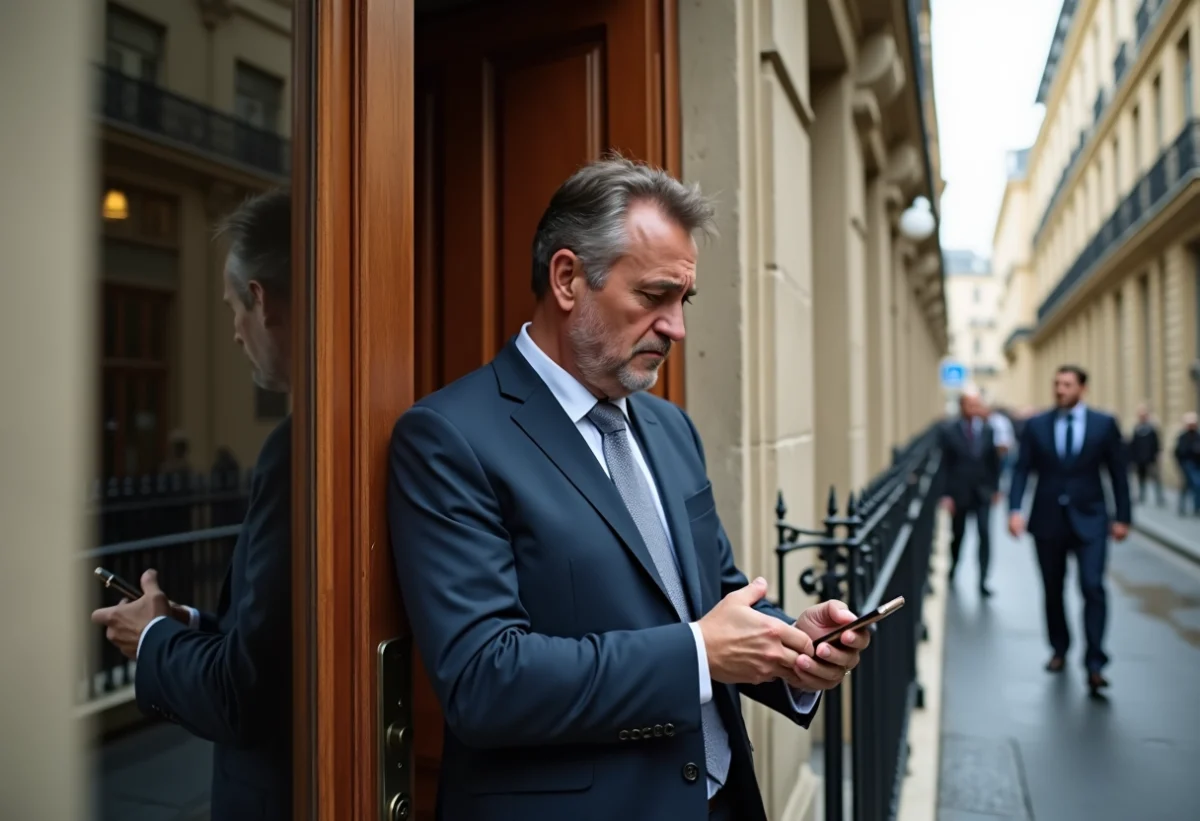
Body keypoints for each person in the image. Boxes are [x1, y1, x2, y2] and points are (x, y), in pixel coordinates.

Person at [388, 157, 870, 821]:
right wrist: (698, 653)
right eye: (654, 296)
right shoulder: (449, 436)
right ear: (567, 279)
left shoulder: (671, 428)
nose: (676, 326)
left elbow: (713, 596)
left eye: (683, 300)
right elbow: (483, 679)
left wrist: (792, 647)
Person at [91, 188, 294, 820]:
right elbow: (278, 645)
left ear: (260, 301)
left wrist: (151, 637)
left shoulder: (298, 448)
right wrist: (194, 625)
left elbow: (243, 694)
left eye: (234, 308)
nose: (235, 332)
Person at [1007, 365, 1130, 698]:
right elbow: (1022, 470)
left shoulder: (1104, 424)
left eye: (1067, 384)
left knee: (1092, 586)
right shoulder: (1036, 425)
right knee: (1053, 589)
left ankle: (1095, 663)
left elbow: (1118, 472)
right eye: (1056, 383)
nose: (1060, 389)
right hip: (1047, 520)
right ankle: (1059, 649)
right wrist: (1015, 510)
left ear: (1082, 388)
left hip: (1091, 519)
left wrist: (1123, 517)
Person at [938, 389, 1001, 597]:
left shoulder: (988, 430)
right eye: (969, 405)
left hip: (982, 493)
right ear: (961, 406)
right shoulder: (949, 431)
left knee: (985, 535)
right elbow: (944, 465)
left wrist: (996, 488)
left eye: (976, 404)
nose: (973, 409)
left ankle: (983, 579)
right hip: (959, 493)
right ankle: (953, 569)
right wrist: (945, 495)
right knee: (959, 536)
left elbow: (994, 462)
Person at [1127, 404, 1164, 506]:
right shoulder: (1137, 429)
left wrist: (1157, 455)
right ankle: (1141, 496)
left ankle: (1159, 497)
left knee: (1156, 479)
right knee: (1141, 479)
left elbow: (1156, 444)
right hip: (1140, 459)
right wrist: (1132, 458)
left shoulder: (1151, 429)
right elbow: (1133, 445)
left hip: (1151, 458)